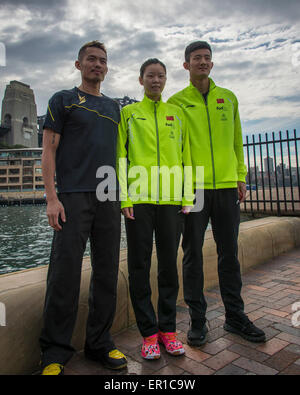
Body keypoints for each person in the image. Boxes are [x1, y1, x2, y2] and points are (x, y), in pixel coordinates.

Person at [168, 41, 266, 346]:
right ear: (186, 65)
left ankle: (235, 317)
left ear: (212, 63)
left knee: (229, 254)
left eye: (207, 58)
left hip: (225, 186)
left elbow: (237, 141)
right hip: (192, 188)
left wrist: (240, 177)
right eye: (196, 58)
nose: (202, 62)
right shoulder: (176, 103)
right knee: (192, 255)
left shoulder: (229, 98)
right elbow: (174, 149)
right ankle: (198, 321)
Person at [39, 41, 127, 375]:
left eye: (103, 61)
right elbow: (48, 151)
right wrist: (52, 197)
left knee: (106, 272)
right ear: (78, 64)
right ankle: (55, 352)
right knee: (64, 274)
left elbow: (118, 155)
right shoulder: (62, 100)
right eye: (91, 59)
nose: (97, 65)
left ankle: (99, 343)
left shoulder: (114, 107)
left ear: (106, 68)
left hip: (108, 197)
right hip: (72, 196)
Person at [117, 58, 194, 360]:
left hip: (172, 201)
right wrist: (124, 198)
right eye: (150, 76)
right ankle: (149, 334)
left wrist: (188, 196)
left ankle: (169, 331)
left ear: (165, 80)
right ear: (141, 80)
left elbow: (186, 156)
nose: (156, 80)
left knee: (167, 268)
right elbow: (119, 158)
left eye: (161, 76)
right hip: (139, 201)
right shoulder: (129, 114)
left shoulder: (176, 114)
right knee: (138, 266)